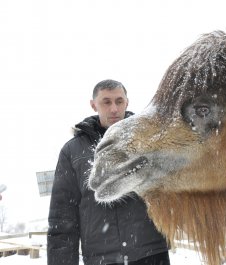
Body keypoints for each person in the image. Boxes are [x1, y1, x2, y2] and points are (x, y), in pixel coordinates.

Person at [47, 79, 170, 265]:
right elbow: (62, 219)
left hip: (151, 253)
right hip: (102, 259)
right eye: (106, 102)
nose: (114, 109)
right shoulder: (72, 151)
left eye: (119, 101)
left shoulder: (149, 141)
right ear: (93, 104)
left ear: (127, 103)